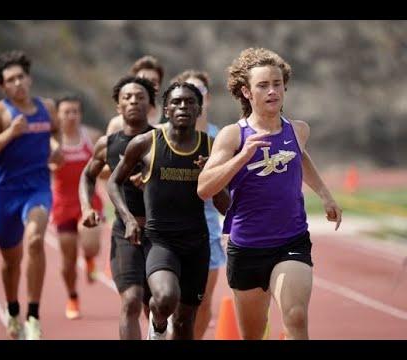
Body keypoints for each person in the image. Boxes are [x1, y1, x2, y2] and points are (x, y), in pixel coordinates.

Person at [197, 47, 342, 340]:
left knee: (296, 316)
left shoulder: (298, 130)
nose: (272, 91)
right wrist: (242, 157)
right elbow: (204, 188)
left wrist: (326, 195)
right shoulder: (233, 135)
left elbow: (300, 156)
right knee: (252, 334)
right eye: (263, 85)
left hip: (291, 239)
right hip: (246, 246)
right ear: (246, 92)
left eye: (277, 84)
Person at [108, 82, 230, 340]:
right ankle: (159, 327)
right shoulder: (146, 143)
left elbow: (224, 205)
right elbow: (113, 182)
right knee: (165, 298)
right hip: (160, 241)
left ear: (199, 110)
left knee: (186, 323)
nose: (183, 107)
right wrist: (128, 218)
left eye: (189, 102)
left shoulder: (212, 147)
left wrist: (211, 175)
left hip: (196, 244)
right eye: (176, 102)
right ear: (166, 109)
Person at [0, 50, 62, 340]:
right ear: (3, 86)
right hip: (6, 194)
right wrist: (10, 133)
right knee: (11, 260)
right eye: (10, 80)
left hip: (37, 189)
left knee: (36, 240)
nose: (17, 84)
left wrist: (55, 148)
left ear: (29, 78)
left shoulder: (47, 108)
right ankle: (13, 310)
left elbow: (56, 134)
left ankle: (33, 317)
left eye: (21, 77)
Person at [79, 75, 156, 339]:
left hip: (160, 232)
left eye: (140, 97)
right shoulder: (107, 144)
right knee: (132, 300)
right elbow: (88, 175)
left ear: (151, 105)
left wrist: (153, 179)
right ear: (118, 107)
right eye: (127, 97)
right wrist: (87, 206)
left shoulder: (162, 140)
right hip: (126, 233)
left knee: (157, 304)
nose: (133, 101)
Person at [170, 70, 225, 339]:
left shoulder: (220, 138)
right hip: (170, 226)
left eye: (199, 93)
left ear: (207, 99)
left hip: (208, 227)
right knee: (170, 297)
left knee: (203, 299)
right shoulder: (164, 135)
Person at [50, 94, 104, 320]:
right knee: (68, 259)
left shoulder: (91, 137)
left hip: (89, 202)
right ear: (58, 116)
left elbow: (105, 168)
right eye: (66, 112)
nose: (71, 116)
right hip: (63, 204)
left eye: (75, 111)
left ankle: (90, 258)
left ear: (80, 114)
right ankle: (72, 296)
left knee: (91, 245)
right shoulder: (52, 143)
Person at [106, 55, 164, 135]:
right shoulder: (117, 125)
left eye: (153, 82)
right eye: (143, 81)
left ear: (159, 85)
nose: (148, 86)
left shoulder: (169, 120)